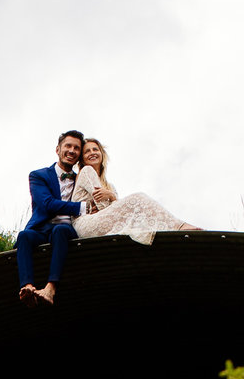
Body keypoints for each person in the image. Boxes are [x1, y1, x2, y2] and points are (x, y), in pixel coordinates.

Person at [74, 138, 197, 244]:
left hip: (100, 221)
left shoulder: (109, 186)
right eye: (87, 151)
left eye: (95, 149)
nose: (92, 153)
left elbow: (115, 209)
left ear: (101, 154)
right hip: (85, 224)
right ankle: (179, 226)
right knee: (138, 198)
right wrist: (111, 198)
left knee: (138, 214)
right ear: (83, 159)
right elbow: (103, 206)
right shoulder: (87, 171)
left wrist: (111, 196)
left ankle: (168, 232)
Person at [16, 130, 88, 306]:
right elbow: (47, 204)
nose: (72, 150)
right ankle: (27, 286)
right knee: (24, 236)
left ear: (79, 155)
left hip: (66, 230)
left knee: (60, 230)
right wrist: (81, 207)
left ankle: (50, 288)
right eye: (68, 146)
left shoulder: (81, 179)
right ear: (58, 149)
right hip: (42, 229)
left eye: (76, 148)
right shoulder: (38, 175)